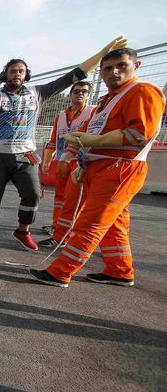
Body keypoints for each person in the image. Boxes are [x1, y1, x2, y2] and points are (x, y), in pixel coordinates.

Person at [0, 36, 128, 252]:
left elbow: (73, 75)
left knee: (33, 194)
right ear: (5, 75)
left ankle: (23, 231)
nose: (17, 73)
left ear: (26, 75)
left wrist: (102, 54)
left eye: (21, 71)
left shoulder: (39, 93)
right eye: (12, 71)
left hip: (25, 157)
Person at [30, 47, 165, 288]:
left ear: (136, 66)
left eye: (121, 66)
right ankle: (120, 270)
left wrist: (94, 143)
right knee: (114, 224)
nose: (114, 72)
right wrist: (84, 157)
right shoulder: (108, 101)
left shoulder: (142, 92)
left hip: (120, 168)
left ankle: (61, 272)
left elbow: (139, 134)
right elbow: (92, 132)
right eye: (107, 68)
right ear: (101, 73)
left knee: (90, 222)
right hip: (96, 165)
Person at [38, 82, 95, 247]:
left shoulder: (93, 113)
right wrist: (47, 161)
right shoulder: (61, 116)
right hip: (62, 160)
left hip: (80, 162)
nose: (80, 94)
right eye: (76, 91)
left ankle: (66, 234)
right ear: (70, 94)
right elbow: (53, 141)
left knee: (73, 199)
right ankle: (57, 226)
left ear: (89, 95)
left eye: (84, 92)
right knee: (59, 197)